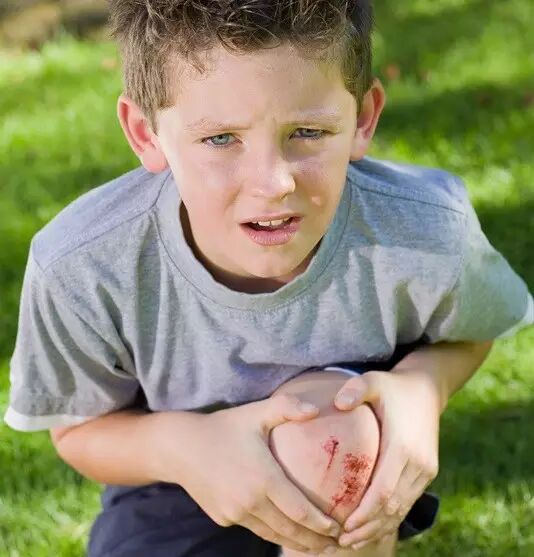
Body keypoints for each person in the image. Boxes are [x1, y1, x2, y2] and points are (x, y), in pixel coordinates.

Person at [4, 1, 533, 556]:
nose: (273, 182)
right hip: (178, 474)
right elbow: (78, 430)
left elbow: (472, 331)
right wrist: (187, 447)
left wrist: (421, 390)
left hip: (341, 450)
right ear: (146, 133)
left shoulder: (423, 229)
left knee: (331, 441)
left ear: (363, 119)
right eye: (220, 139)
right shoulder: (84, 264)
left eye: (308, 131)